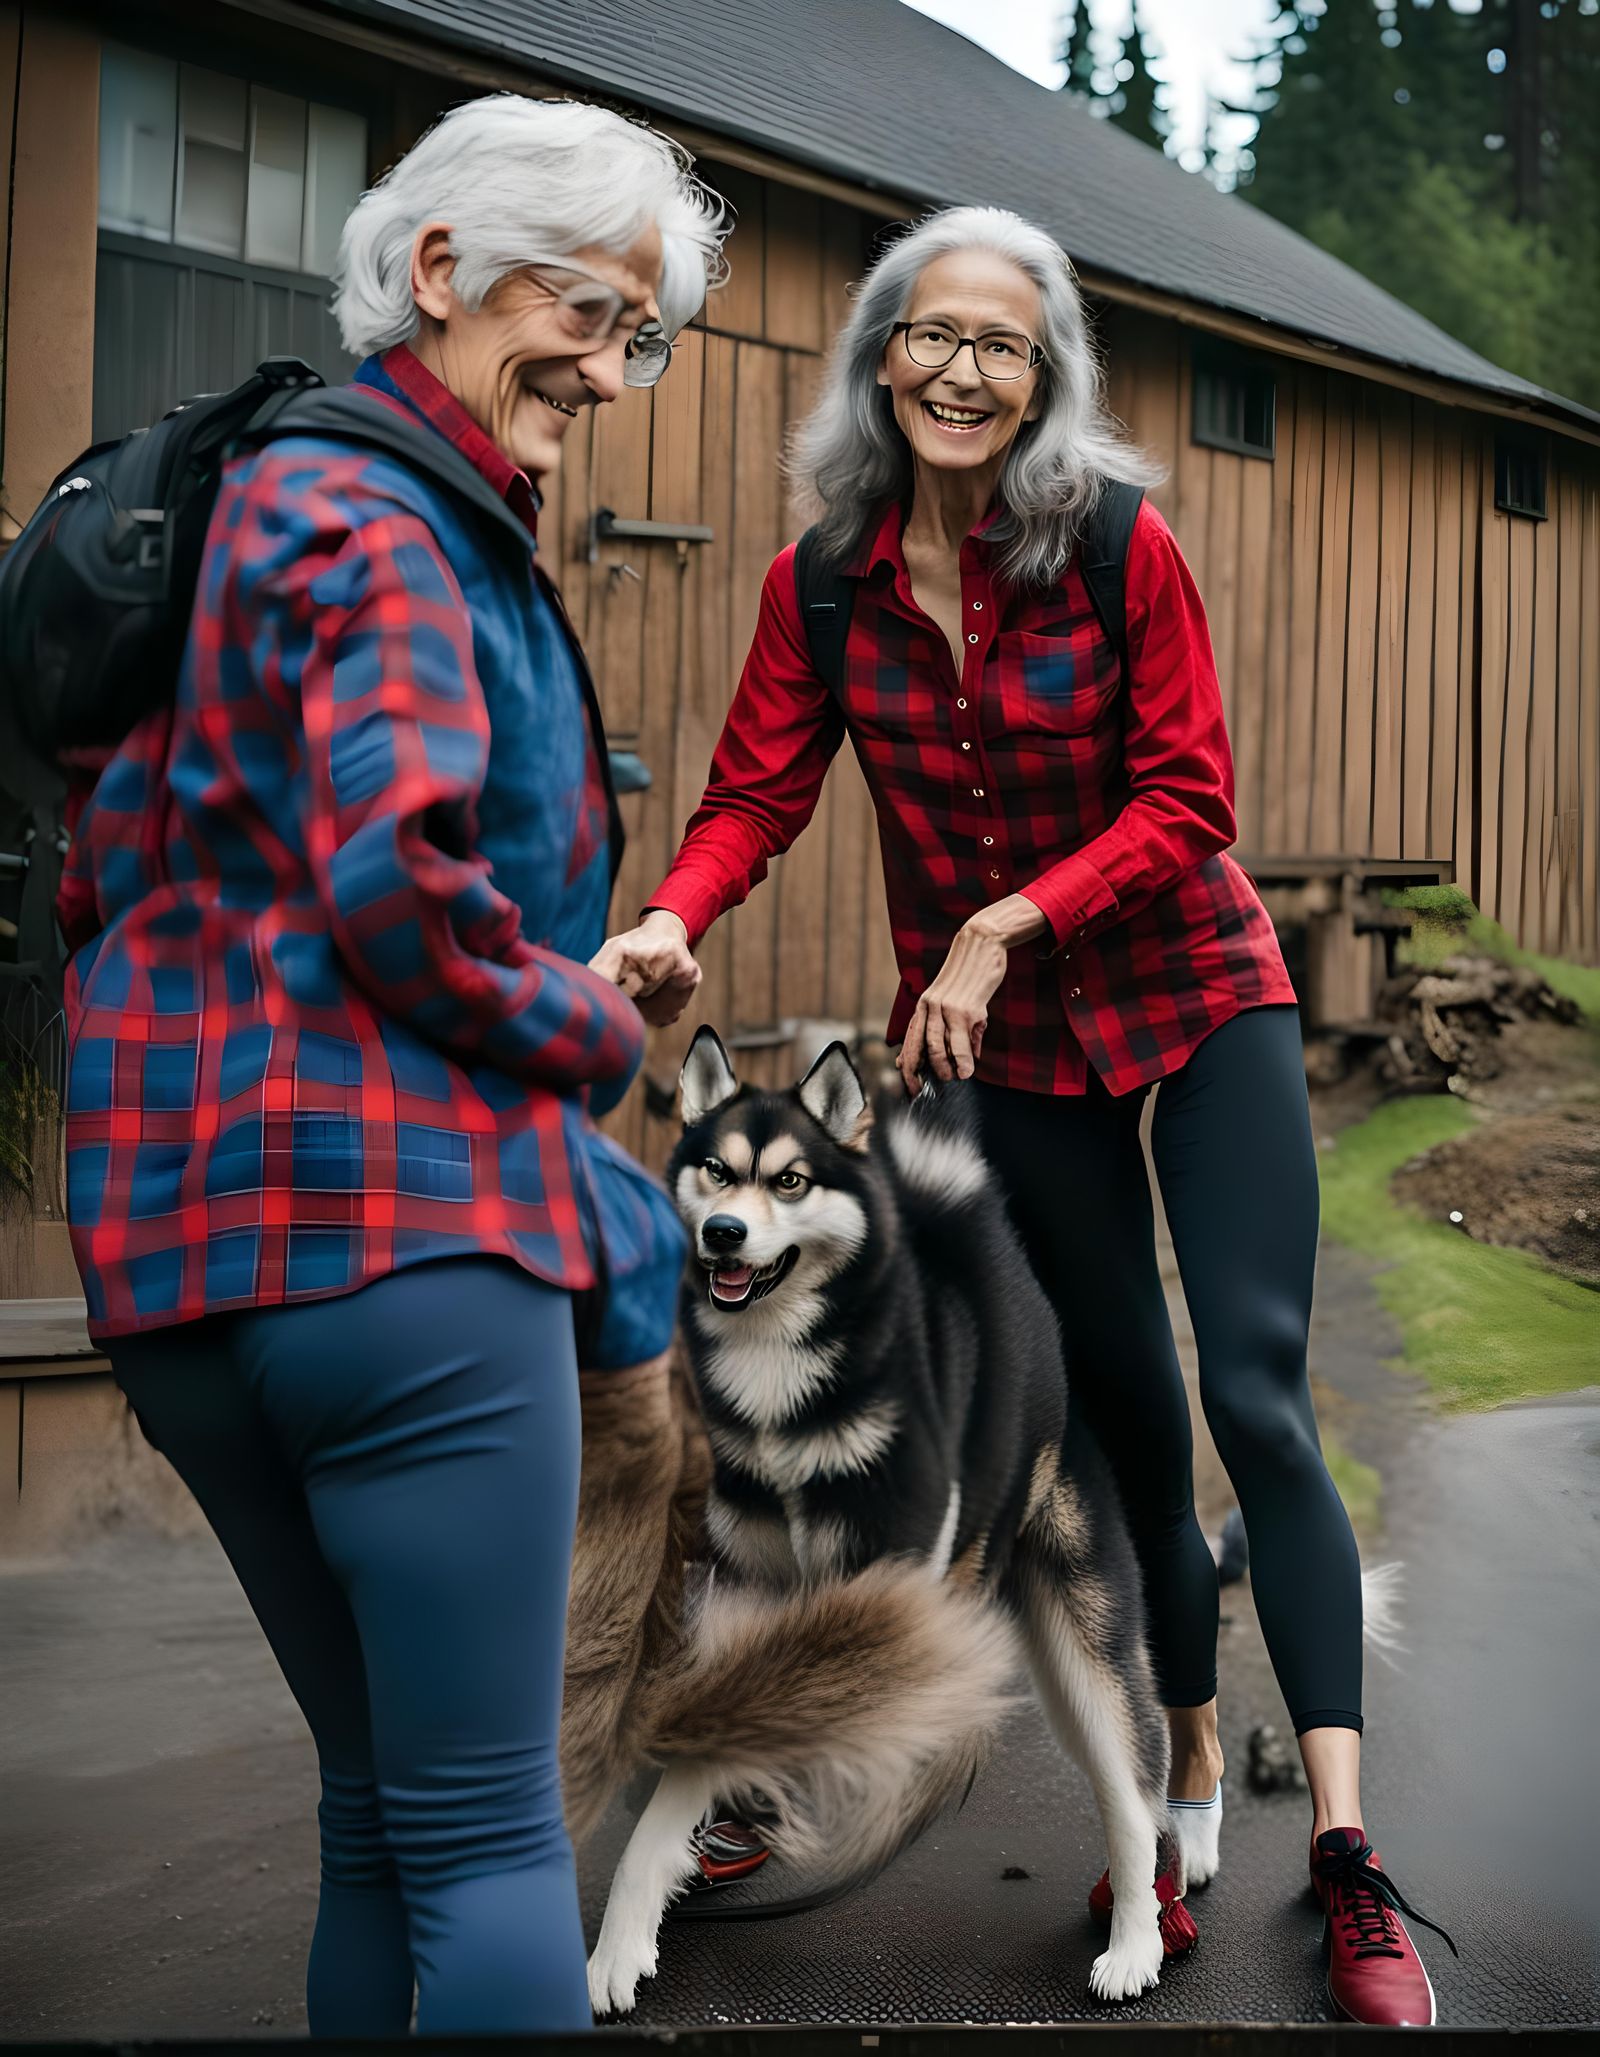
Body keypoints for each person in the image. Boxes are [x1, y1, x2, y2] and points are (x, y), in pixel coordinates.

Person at [592, 205, 1450, 2025]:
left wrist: (995, 920)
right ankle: (1188, 1781)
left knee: (1259, 1394)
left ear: (1045, 374)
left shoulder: (1122, 543)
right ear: (881, 358)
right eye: (934, 336)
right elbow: (755, 790)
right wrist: (676, 911)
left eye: (1007, 343)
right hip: (1017, 1060)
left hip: (1194, 999)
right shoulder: (821, 581)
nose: (967, 369)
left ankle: (1352, 1853)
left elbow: (1189, 795)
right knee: (1125, 1416)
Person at [57, 95, 725, 2034]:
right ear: (437, 273)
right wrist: (593, 1015)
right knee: (499, 1842)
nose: (609, 374)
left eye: (639, 337)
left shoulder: (223, 514)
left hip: (182, 1281)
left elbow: (145, 891)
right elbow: (402, 888)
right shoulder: (387, 513)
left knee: (381, 1819)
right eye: (588, 315)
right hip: (404, 1259)